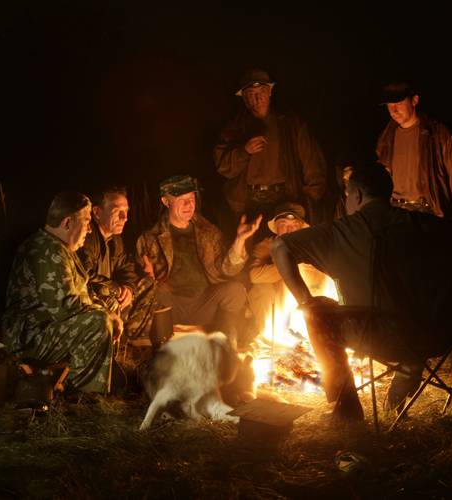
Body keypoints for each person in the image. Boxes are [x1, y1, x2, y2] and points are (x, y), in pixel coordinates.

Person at [271, 164, 423, 421]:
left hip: (373, 335)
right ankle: (400, 392)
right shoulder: (420, 224)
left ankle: (347, 411)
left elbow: (280, 246)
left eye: (347, 195)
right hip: (430, 334)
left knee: (317, 315)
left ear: (358, 196)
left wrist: (305, 301)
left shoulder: (344, 230)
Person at [2, 191, 119, 394]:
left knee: (108, 306)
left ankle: (91, 383)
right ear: (67, 223)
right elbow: (66, 308)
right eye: (86, 221)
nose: (90, 230)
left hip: (48, 328)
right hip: (29, 337)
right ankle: (82, 394)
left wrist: (108, 308)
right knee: (98, 321)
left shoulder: (61, 248)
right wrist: (106, 315)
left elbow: (83, 294)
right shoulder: (47, 250)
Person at [136, 175, 261, 342]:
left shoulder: (208, 232)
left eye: (192, 198)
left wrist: (240, 240)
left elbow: (228, 269)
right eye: (182, 199)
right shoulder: (150, 238)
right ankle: (160, 342)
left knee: (235, 290)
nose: (189, 205)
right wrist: (148, 278)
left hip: (204, 303)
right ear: (166, 202)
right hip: (171, 305)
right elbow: (141, 281)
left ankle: (226, 342)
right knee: (155, 291)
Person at [214, 68, 328, 229]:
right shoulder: (234, 129)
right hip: (249, 204)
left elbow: (313, 164)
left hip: (286, 201)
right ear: (244, 99)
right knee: (253, 250)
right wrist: (244, 151)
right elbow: (224, 167)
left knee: (284, 247)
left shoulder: (291, 124)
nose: (257, 97)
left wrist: (309, 200)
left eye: (262, 91)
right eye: (251, 94)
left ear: (270, 92)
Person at [375, 81, 452, 219]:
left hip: (428, 213)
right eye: (389, 105)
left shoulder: (437, 134)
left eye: (398, 104)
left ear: (414, 100)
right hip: (396, 212)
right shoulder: (386, 139)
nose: (393, 110)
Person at [77, 186, 156, 346]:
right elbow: (85, 275)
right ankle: (110, 343)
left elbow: (126, 267)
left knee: (148, 282)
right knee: (109, 293)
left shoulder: (115, 239)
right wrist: (117, 289)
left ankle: (133, 336)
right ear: (97, 212)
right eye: (117, 211)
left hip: (111, 295)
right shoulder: (87, 237)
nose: (124, 217)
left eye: (126, 211)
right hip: (92, 299)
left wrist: (128, 287)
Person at [245, 202, 327, 346]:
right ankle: (271, 338)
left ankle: (308, 335)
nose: (289, 229)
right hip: (275, 306)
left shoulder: (312, 247)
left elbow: (323, 278)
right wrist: (287, 265)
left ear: (301, 227)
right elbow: (254, 275)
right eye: (283, 223)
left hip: (305, 303)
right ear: (276, 228)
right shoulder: (266, 246)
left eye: (294, 224)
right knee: (260, 290)